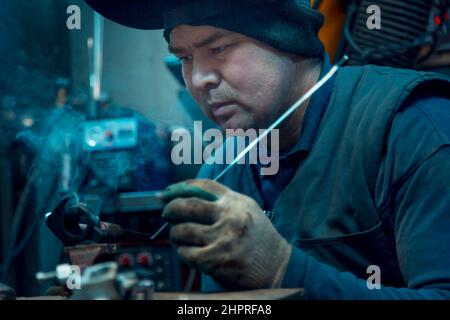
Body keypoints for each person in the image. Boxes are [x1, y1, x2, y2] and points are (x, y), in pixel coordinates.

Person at [86, 0, 450, 299]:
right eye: (184, 58)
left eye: (218, 48)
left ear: (287, 38)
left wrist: (283, 269)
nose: (199, 79)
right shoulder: (221, 168)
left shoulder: (409, 125)